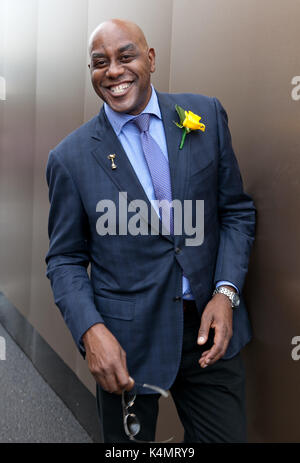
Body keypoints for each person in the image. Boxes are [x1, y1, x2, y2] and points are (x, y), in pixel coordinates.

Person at [45, 19, 256, 443]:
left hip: (207, 334)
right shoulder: (70, 158)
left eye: (126, 56)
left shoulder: (205, 116)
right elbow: (64, 259)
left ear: (151, 59)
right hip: (125, 343)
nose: (114, 71)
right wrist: (92, 332)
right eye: (100, 63)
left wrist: (225, 292)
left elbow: (236, 211)